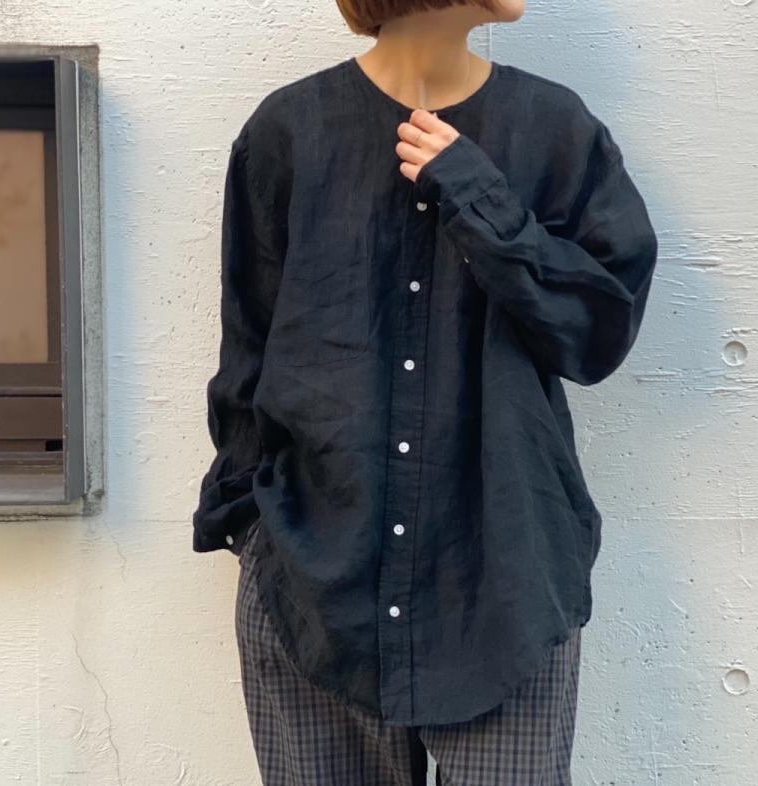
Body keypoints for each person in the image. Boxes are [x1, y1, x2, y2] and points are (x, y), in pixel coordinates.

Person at [192, 1, 659, 783]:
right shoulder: (288, 132)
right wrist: (252, 530)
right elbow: (249, 347)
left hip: (504, 589)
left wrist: (479, 198)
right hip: (315, 589)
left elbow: (598, 330)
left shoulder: (554, 130)